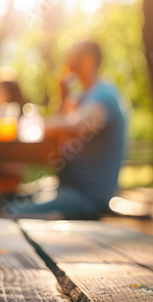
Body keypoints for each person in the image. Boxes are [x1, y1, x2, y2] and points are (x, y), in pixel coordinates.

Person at [18, 41, 127, 219]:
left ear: (87, 60)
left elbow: (77, 124)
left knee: (12, 212)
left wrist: (41, 125)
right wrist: (63, 97)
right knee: (11, 197)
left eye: (71, 56)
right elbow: (60, 128)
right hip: (67, 187)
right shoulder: (84, 96)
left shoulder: (104, 94)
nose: (66, 61)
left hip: (88, 197)